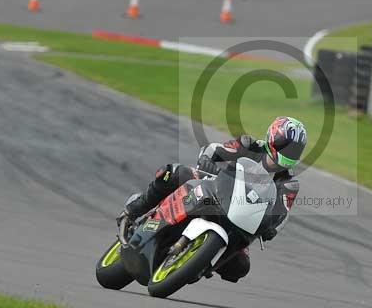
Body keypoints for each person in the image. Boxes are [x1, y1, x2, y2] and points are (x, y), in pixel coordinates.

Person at [122, 116, 305, 283]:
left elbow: (283, 214)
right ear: (273, 139)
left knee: (240, 267)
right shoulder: (248, 145)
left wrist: (271, 228)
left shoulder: (288, 183)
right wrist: (208, 161)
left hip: (242, 220)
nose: (290, 152)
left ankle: (200, 263)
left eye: (295, 150)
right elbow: (212, 150)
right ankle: (135, 209)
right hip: (215, 190)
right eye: (286, 146)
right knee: (174, 173)